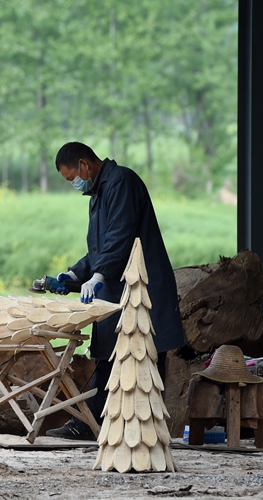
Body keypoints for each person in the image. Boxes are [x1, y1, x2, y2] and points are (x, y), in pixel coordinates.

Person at [44, 142, 185, 440]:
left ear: (84, 164)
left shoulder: (121, 182)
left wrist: (98, 276)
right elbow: (100, 248)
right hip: (116, 287)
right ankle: (93, 424)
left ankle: (146, 432)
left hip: (140, 288)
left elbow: (121, 237)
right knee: (107, 358)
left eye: (72, 178)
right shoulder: (97, 193)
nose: (74, 184)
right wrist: (71, 275)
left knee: (145, 357)